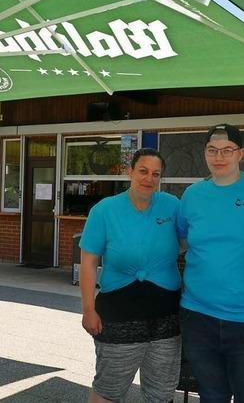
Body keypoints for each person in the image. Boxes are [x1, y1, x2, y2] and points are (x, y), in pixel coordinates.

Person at [177, 123, 244, 402]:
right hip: (199, 318)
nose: (219, 156)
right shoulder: (192, 195)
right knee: (211, 397)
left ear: (241, 154)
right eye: (212, 150)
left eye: (227, 150)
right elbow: (181, 241)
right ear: (204, 153)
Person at [79, 148, 181, 403]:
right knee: (108, 391)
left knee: (161, 394)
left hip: (165, 317)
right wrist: (88, 309)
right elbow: (88, 262)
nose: (149, 178)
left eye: (156, 174)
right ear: (130, 172)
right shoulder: (105, 210)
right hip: (118, 316)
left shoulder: (173, 206)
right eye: (143, 171)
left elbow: (189, 241)